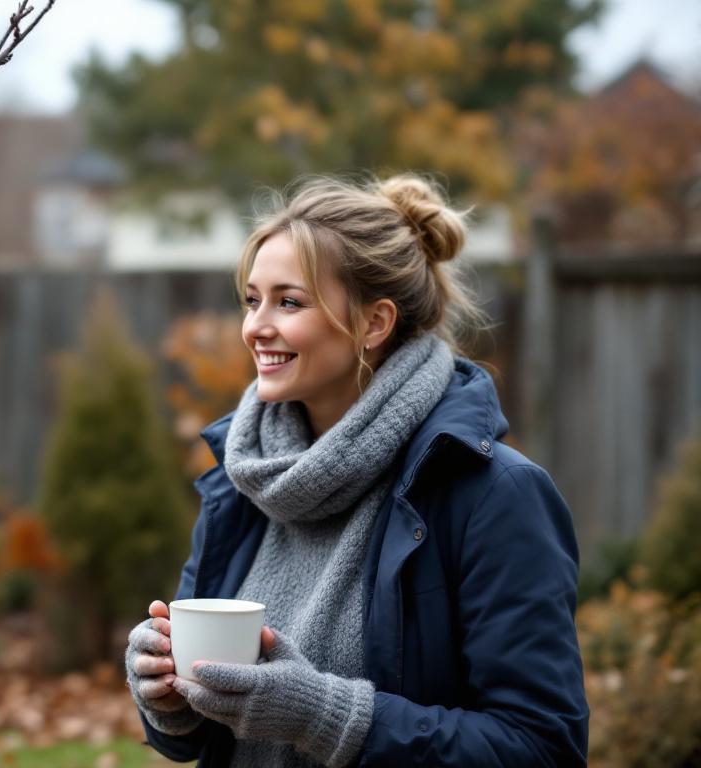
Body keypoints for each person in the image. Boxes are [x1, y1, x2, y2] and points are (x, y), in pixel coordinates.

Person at [123, 175, 588, 767]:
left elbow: (542, 748)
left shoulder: (494, 495)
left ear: (375, 322)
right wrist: (166, 695)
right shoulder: (243, 479)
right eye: (251, 299)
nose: (255, 327)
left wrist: (326, 717)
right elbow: (192, 738)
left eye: (288, 301)